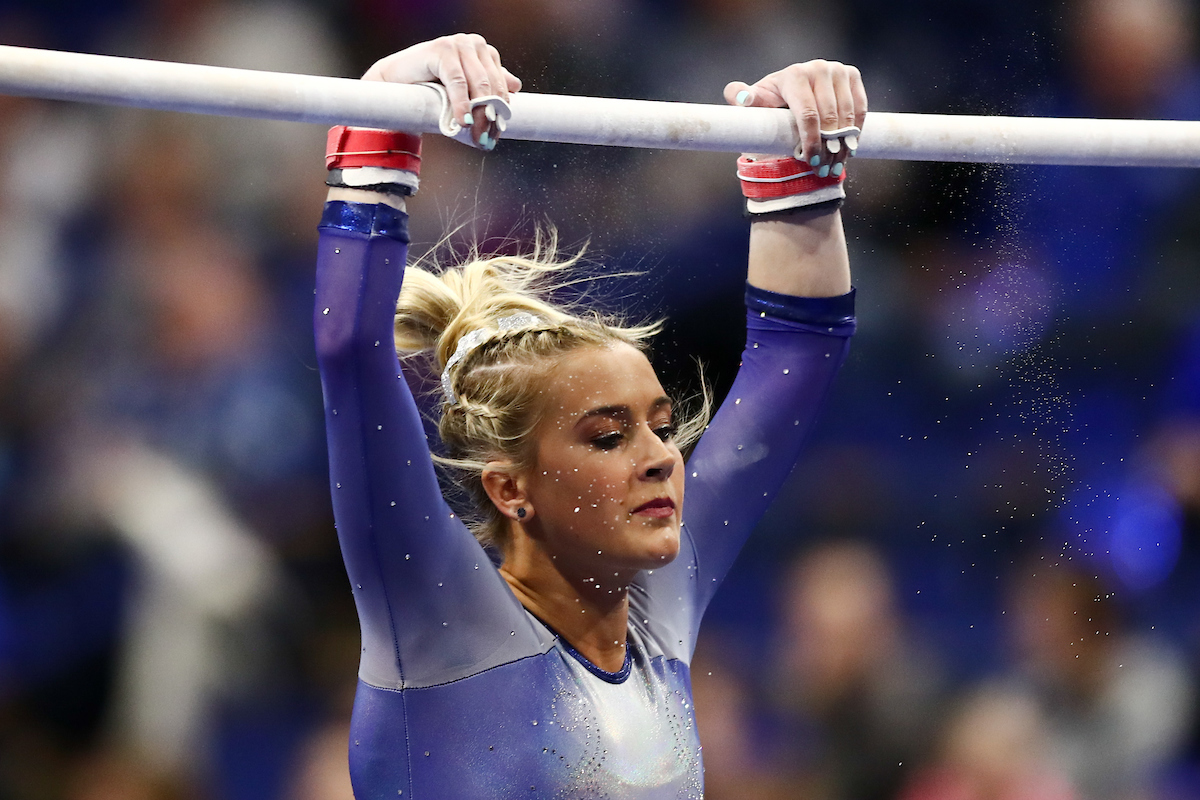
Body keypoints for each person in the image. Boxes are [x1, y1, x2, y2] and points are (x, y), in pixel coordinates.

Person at [314, 33, 864, 798]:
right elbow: (351, 350)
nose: (660, 458)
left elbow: (798, 352)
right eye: (608, 436)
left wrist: (795, 165)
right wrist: (382, 103)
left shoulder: (658, 614)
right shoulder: (440, 624)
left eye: (662, 427)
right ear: (512, 490)